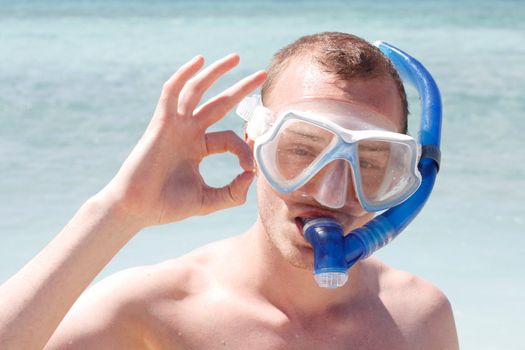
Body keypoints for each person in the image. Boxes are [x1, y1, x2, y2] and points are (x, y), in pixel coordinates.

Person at [0, 32, 459, 349]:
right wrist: (121, 209)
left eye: (371, 163)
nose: (332, 192)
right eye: (302, 150)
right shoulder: (149, 313)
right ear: (255, 143)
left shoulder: (418, 317)